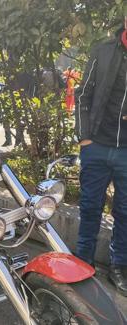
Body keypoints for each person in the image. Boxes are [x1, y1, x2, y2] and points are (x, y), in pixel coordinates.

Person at [75, 17, 127, 296]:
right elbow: (83, 93)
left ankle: (119, 267)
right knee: (90, 206)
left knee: (126, 211)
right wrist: (84, 136)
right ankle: (83, 262)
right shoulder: (104, 50)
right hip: (96, 145)